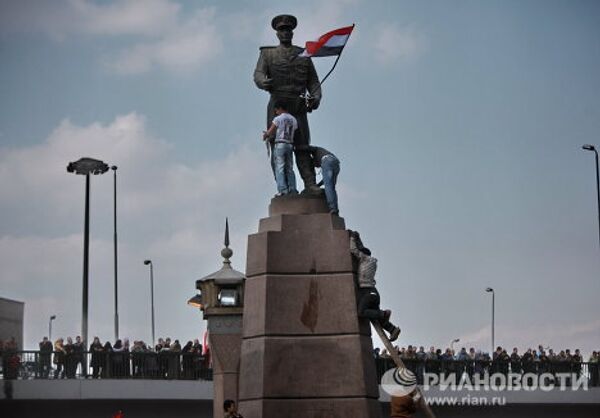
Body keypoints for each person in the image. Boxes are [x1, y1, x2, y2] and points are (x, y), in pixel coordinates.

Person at [254, 14, 322, 195]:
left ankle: (310, 184)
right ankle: (285, 189)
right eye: (282, 30)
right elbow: (258, 74)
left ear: (292, 32)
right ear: (277, 33)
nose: (285, 33)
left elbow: (314, 82)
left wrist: (316, 97)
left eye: (288, 30)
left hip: (298, 105)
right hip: (278, 105)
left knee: (302, 146)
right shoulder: (267, 54)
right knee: (277, 146)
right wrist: (262, 82)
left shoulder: (304, 55)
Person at [349, 230, 400, 342]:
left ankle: (383, 313)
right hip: (374, 293)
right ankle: (392, 329)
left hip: (368, 293)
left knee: (362, 312)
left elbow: (353, 250)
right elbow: (362, 249)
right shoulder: (370, 260)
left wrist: (352, 237)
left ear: (363, 255)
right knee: (375, 316)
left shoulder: (364, 258)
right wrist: (358, 238)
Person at [262, 101, 298, 196]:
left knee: (280, 168)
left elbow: (270, 131)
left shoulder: (278, 118)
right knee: (289, 168)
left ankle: (283, 190)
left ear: (280, 108)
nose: (276, 112)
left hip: (280, 144)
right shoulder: (293, 119)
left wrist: (266, 135)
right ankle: (293, 189)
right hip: (290, 144)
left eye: (276, 110)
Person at [309, 146, 340, 214]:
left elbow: (311, 148)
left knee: (328, 187)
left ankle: (332, 208)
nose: (316, 166)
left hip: (327, 160)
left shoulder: (316, 151)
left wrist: (299, 147)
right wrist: (318, 185)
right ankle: (335, 208)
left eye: (315, 165)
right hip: (336, 163)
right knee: (331, 187)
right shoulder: (322, 152)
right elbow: (325, 180)